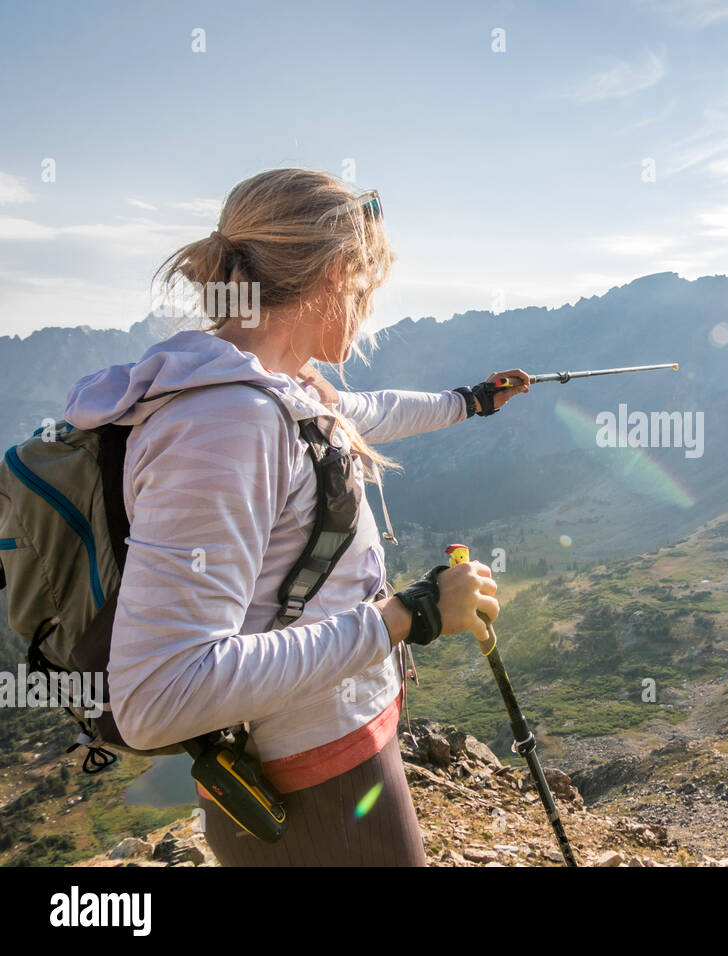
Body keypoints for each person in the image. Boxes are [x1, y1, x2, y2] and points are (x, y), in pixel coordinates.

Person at [63, 168, 528, 865]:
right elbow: (157, 695)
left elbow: (367, 413)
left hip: (325, 760)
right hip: (314, 791)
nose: (369, 309)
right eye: (369, 287)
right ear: (338, 274)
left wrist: (470, 400)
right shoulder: (227, 421)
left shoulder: (270, 391)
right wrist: (409, 615)